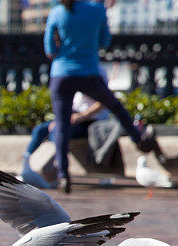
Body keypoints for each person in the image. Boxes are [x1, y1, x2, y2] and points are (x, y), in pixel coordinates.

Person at [44, 0, 155, 192]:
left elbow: (50, 50)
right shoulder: (97, 10)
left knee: (62, 124)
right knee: (115, 106)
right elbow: (105, 42)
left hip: (61, 74)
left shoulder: (57, 12)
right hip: (88, 72)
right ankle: (138, 138)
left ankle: (63, 175)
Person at [22, 80, 109, 188]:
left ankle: (54, 172)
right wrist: (60, 120)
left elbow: (104, 101)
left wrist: (82, 115)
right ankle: (25, 167)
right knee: (39, 130)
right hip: (72, 118)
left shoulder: (95, 72)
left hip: (90, 122)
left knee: (58, 131)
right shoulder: (72, 74)